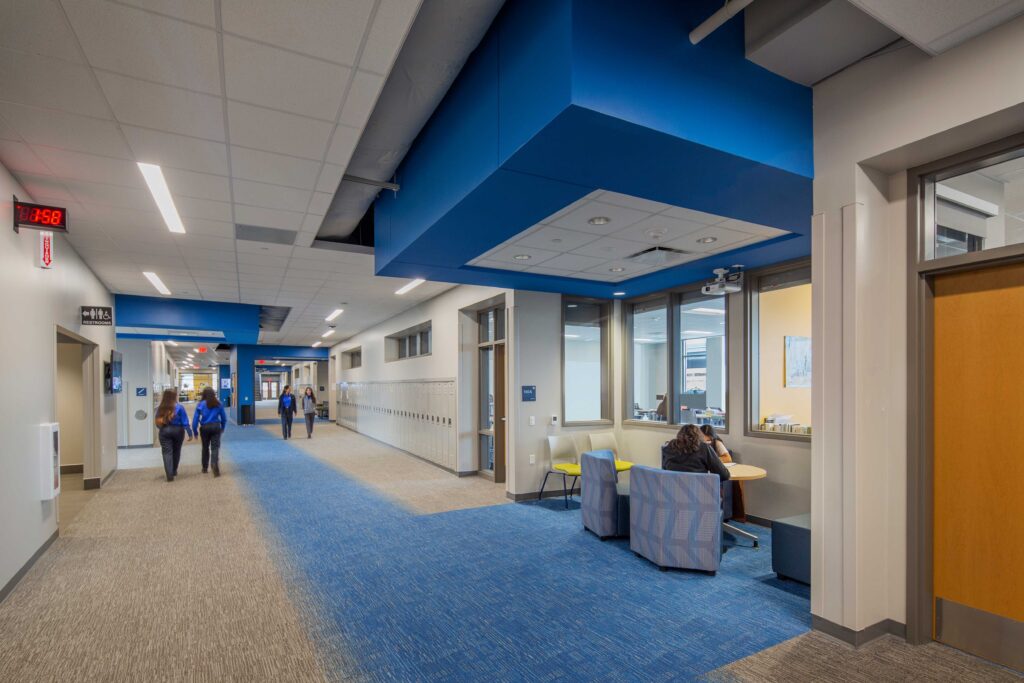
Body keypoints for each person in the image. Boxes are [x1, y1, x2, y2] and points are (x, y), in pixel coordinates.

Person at [701, 424, 746, 520]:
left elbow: (727, 458)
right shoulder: (697, 444)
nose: (706, 442)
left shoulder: (717, 443)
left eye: (708, 440)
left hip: (715, 472)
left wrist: (713, 460)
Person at [661, 423, 730, 481]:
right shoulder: (704, 448)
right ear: (699, 436)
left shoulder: (668, 447)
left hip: (671, 492)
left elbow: (664, 471)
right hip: (699, 493)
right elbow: (724, 475)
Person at [154, 388, 193, 482]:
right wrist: (189, 433)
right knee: (176, 451)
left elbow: (157, 422)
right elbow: (185, 421)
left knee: (167, 452)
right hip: (178, 431)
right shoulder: (179, 407)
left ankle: (169, 474)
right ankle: (174, 470)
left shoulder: (161, 408)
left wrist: (163, 429)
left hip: (164, 431)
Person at [192, 387, 227, 477]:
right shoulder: (218, 404)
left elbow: (195, 419)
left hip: (204, 428)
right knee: (215, 447)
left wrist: (195, 431)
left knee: (205, 448)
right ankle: (214, 463)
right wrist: (222, 427)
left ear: (204, 394)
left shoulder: (200, 404)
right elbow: (224, 418)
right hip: (216, 427)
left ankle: (204, 468)